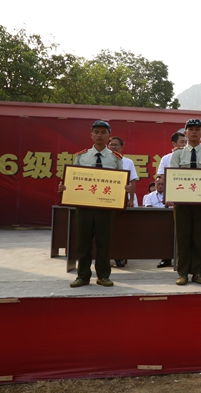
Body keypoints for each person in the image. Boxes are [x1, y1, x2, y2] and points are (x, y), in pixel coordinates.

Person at [60, 120, 128, 288]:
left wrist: (124, 187)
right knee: (83, 241)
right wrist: (65, 186)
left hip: (106, 206)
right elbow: (72, 178)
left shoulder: (115, 158)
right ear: (91, 135)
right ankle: (83, 276)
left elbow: (120, 178)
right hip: (84, 206)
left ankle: (103, 276)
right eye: (96, 132)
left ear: (108, 136)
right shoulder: (81, 156)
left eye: (103, 132)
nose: (99, 135)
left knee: (104, 241)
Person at [170, 119, 201, 286]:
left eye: (198, 129)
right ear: (185, 132)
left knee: (199, 238)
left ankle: (197, 272)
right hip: (181, 204)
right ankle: (182, 273)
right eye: (191, 129)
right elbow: (173, 177)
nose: (194, 132)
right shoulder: (177, 154)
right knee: (183, 238)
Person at [155, 131, 186, 268]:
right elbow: (162, 177)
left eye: (185, 142)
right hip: (172, 199)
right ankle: (166, 258)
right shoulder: (166, 158)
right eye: (182, 142)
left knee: (185, 231)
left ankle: (184, 260)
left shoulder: (192, 156)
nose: (184, 144)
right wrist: (169, 195)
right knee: (168, 230)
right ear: (173, 144)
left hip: (188, 198)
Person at [108, 136, 139, 267]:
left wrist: (131, 199)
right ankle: (104, 257)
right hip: (104, 199)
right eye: (111, 144)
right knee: (105, 228)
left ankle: (119, 256)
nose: (113, 147)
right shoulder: (103, 160)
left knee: (119, 228)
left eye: (116, 145)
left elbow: (132, 181)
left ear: (122, 147)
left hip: (122, 199)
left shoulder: (127, 162)